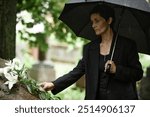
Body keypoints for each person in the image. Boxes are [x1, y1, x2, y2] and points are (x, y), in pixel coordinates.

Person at [40, 4, 143, 100]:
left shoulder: (128, 45)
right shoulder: (90, 49)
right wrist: (54, 84)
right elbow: (77, 72)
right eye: (92, 22)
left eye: (97, 21)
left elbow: (138, 74)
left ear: (109, 20)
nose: (93, 25)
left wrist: (117, 70)